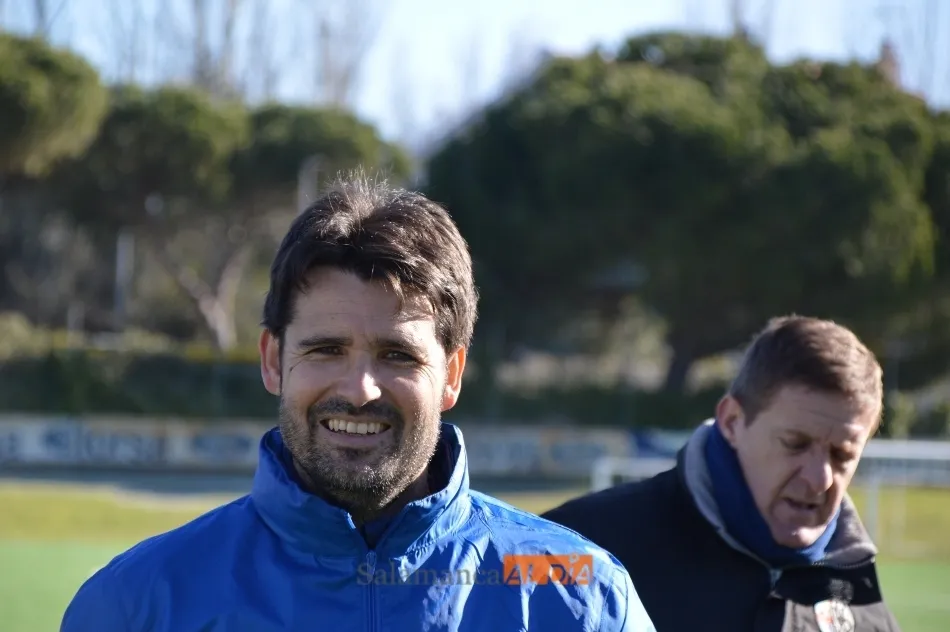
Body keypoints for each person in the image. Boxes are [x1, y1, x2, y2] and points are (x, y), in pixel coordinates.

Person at [61, 172, 656, 632]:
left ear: (451, 375)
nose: (359, 389)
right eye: (326, 349)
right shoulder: (138, 603)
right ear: (273, 360)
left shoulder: (580, 596)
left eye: (397, 355)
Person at [542, 315, 903, 632]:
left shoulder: (862, 602)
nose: (819, 479)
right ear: (732, 421)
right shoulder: (580, 550)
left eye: (842, 455)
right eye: (795, 444)